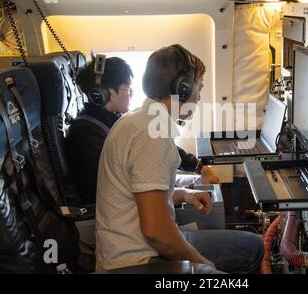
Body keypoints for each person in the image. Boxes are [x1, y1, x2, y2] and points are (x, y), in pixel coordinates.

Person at [95, 44, 264, 273]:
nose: (200, 95)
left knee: (251, 244)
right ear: (183, 88)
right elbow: (156, 230)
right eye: (199, 87)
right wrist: (203, 265)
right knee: (251, 249)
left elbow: (138, 198)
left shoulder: (138, 119)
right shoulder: (151, 136)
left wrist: (183, 194)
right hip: (138, 263)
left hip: (137, 250)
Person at [67, 56, 219, 205]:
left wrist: (198, 167)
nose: (132, 93)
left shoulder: (115, 121)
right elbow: (112, 193)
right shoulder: (86, 134)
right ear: (106, 94)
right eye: (127, 88)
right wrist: (182, 193)